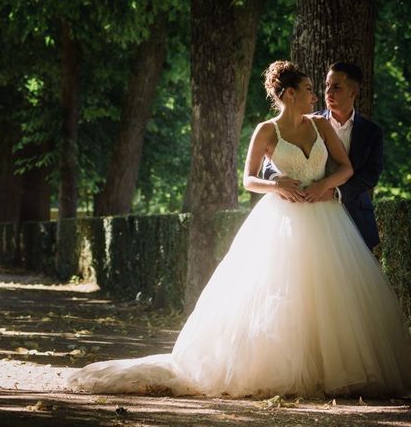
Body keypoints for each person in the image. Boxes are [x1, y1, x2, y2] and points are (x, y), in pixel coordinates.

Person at [68, 61, 411, 398]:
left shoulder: (322, 127)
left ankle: (338, 369)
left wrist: (324, 189)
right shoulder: (268, 130)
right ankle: (284, 369)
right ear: (289, 94)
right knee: (282, 292)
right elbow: (251, 177)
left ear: (352, 90)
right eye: (311, 89)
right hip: (283, 218)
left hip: (326, 216)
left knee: (334, 294)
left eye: (328, 87)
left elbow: (349, 169)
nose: (318, 96)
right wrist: (279, 184)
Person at [263, 62, 383, 250]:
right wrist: (279, 182)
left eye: (336, 87)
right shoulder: (308, 122)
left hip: (355, 213)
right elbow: (270, 162)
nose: (328, 92)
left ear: (353, 92)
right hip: (308, 213)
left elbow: (371, 175)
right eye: (327, 85)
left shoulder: (371, 132)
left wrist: (334, 192)